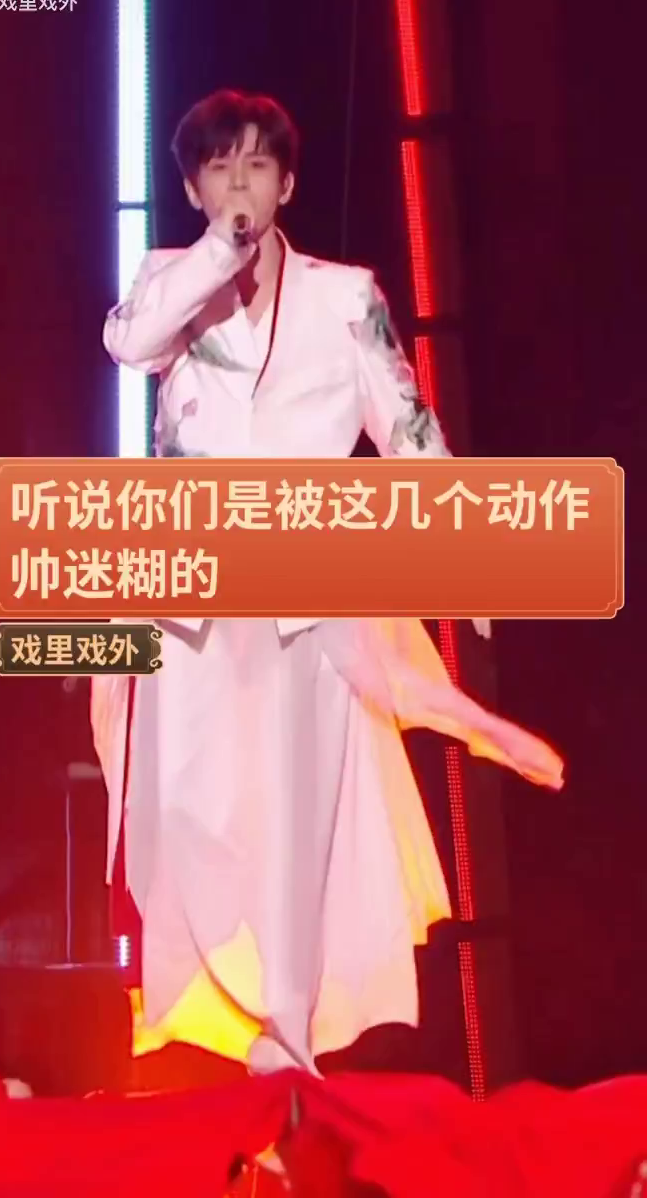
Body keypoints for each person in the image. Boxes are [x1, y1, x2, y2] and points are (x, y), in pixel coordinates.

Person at [91, 89, 563, 1079]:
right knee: (189, 811)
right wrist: (217, 253)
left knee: (301, 811)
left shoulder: (345, 296)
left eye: (257, 164)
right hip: (195, 593)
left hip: (309, 585)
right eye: (219, 167)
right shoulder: (169, 280)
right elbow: (128, 345)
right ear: (193, 188)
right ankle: (229, 1008)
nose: (239, 182)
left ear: (288, 182)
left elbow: (406, 428)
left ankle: (290, 1031)